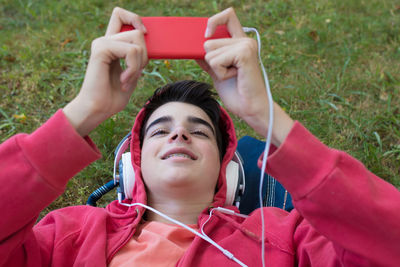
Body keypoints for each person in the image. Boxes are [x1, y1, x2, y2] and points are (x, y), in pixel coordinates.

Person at [0, 6, 399, 267]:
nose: (179, 133)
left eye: (199, 131)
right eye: (160, 129)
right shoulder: (69, 236)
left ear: (226, 171)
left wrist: (267, 118)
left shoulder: (282, 239)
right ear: (133, 166)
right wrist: (83, 112)